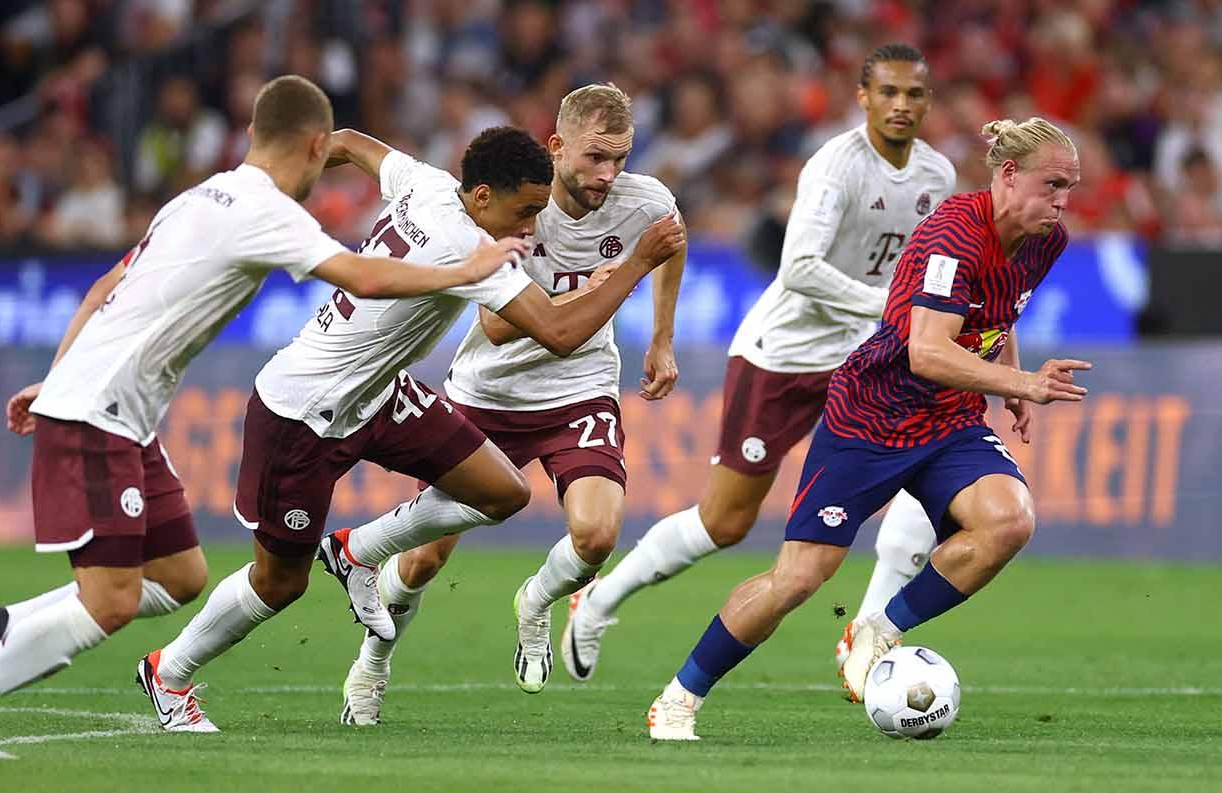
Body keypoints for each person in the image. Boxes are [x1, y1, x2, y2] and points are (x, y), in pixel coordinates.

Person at [0, 74, 526, 759]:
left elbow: (105, 287)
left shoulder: (196, 197)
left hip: (121, 410)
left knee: (180, 575)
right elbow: (366, 276)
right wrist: (468, 270)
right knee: (111, 599)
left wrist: (55, 376)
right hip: (100, 410)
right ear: (316, 147)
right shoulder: (267, 213)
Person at [134, 125, 685, 731]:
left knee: (503, 492)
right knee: (279, 583)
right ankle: (168, 672)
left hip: (381, 394)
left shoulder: (425, 183)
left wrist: (272, 184)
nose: (531, 227)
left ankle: (359, 550)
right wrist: (636, 264)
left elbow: (342, 141)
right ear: (480, 199)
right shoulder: (473, 251)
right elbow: (556, 333)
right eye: (524, 212)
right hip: (304, 413)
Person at [646, 116, 1089, 741]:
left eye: (1071, 186)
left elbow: (1000, 309)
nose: (1063, 200)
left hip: (949, 420)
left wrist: (1008, 375)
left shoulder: (1046, 239)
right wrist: (1025, 386)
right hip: (871, 418)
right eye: (1053, 184)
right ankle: (679, 696)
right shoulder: (953, 235)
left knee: (1008, 519)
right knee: (799, 578)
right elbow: (926, 352)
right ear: (1008, 175)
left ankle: (879, 627)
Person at [566, 45, 954, 685]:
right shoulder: (836, 166)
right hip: (784, 357)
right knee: (726, 521)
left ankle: (870, 632)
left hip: (868, 360)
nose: (901, 105)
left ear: (927, 100)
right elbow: (799, 269)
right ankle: (600, 599)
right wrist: (891, 309)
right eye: (887, 92)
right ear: (863, 96)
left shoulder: (937, 176)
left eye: (913, 94)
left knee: (929, 466)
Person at [328, 83, 686, 724]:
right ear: (557, 146)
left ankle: (535, 602)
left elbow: (671, 247)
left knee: (599, 533)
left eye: (620, 159)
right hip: (487, 391)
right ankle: (372, 663)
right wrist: (613, 279)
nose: (608, 175)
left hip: (580, 388)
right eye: (595, 158)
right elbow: (497, 327)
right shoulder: (519, 204)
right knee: (424, 559)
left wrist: (661, 340)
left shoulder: (646, 202)